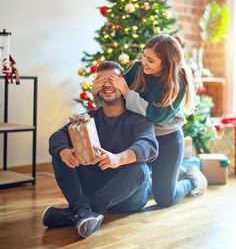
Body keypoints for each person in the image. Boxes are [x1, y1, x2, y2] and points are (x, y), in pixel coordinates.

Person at [42, 61, 159, 238]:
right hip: (97, 183)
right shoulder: (89, 118)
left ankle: (78, 211)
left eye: (112, 79)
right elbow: (57, 136)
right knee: (60, 154)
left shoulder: (138, 119)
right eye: (100, 80)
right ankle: (82, 212)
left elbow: (149, 145)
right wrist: (64, 151)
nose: (106, 85)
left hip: (129, 196)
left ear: (123, 84)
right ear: (95, 87)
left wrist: (118, 158)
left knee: (140, 168)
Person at [93, 35, 207, 208]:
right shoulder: (136, 69)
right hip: (140, 136)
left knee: (164, 199)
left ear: (167, 63)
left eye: (151, 60)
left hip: (167, 139)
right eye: (144, 55)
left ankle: (192, 178)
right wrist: (98, 93)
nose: (144, 62)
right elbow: (115, 104)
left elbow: (157, 115)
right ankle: (166, 176)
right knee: (137, 181)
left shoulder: (178, 81)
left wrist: (127, 92)